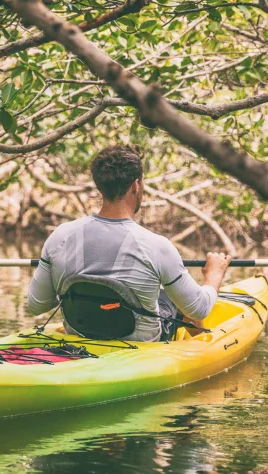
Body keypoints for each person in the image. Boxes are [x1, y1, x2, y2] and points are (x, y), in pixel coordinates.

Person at [26, 145, 232, 341]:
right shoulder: (157, 246)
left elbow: (36, 305)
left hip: (80, 335)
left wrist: (70, 291)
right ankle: (201, 342)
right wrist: (213, 274)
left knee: (163, 295)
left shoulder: (60, 236)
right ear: (136, 185)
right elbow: (199, 308)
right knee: (176, 301)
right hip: (143, 346)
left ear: (99, 186)